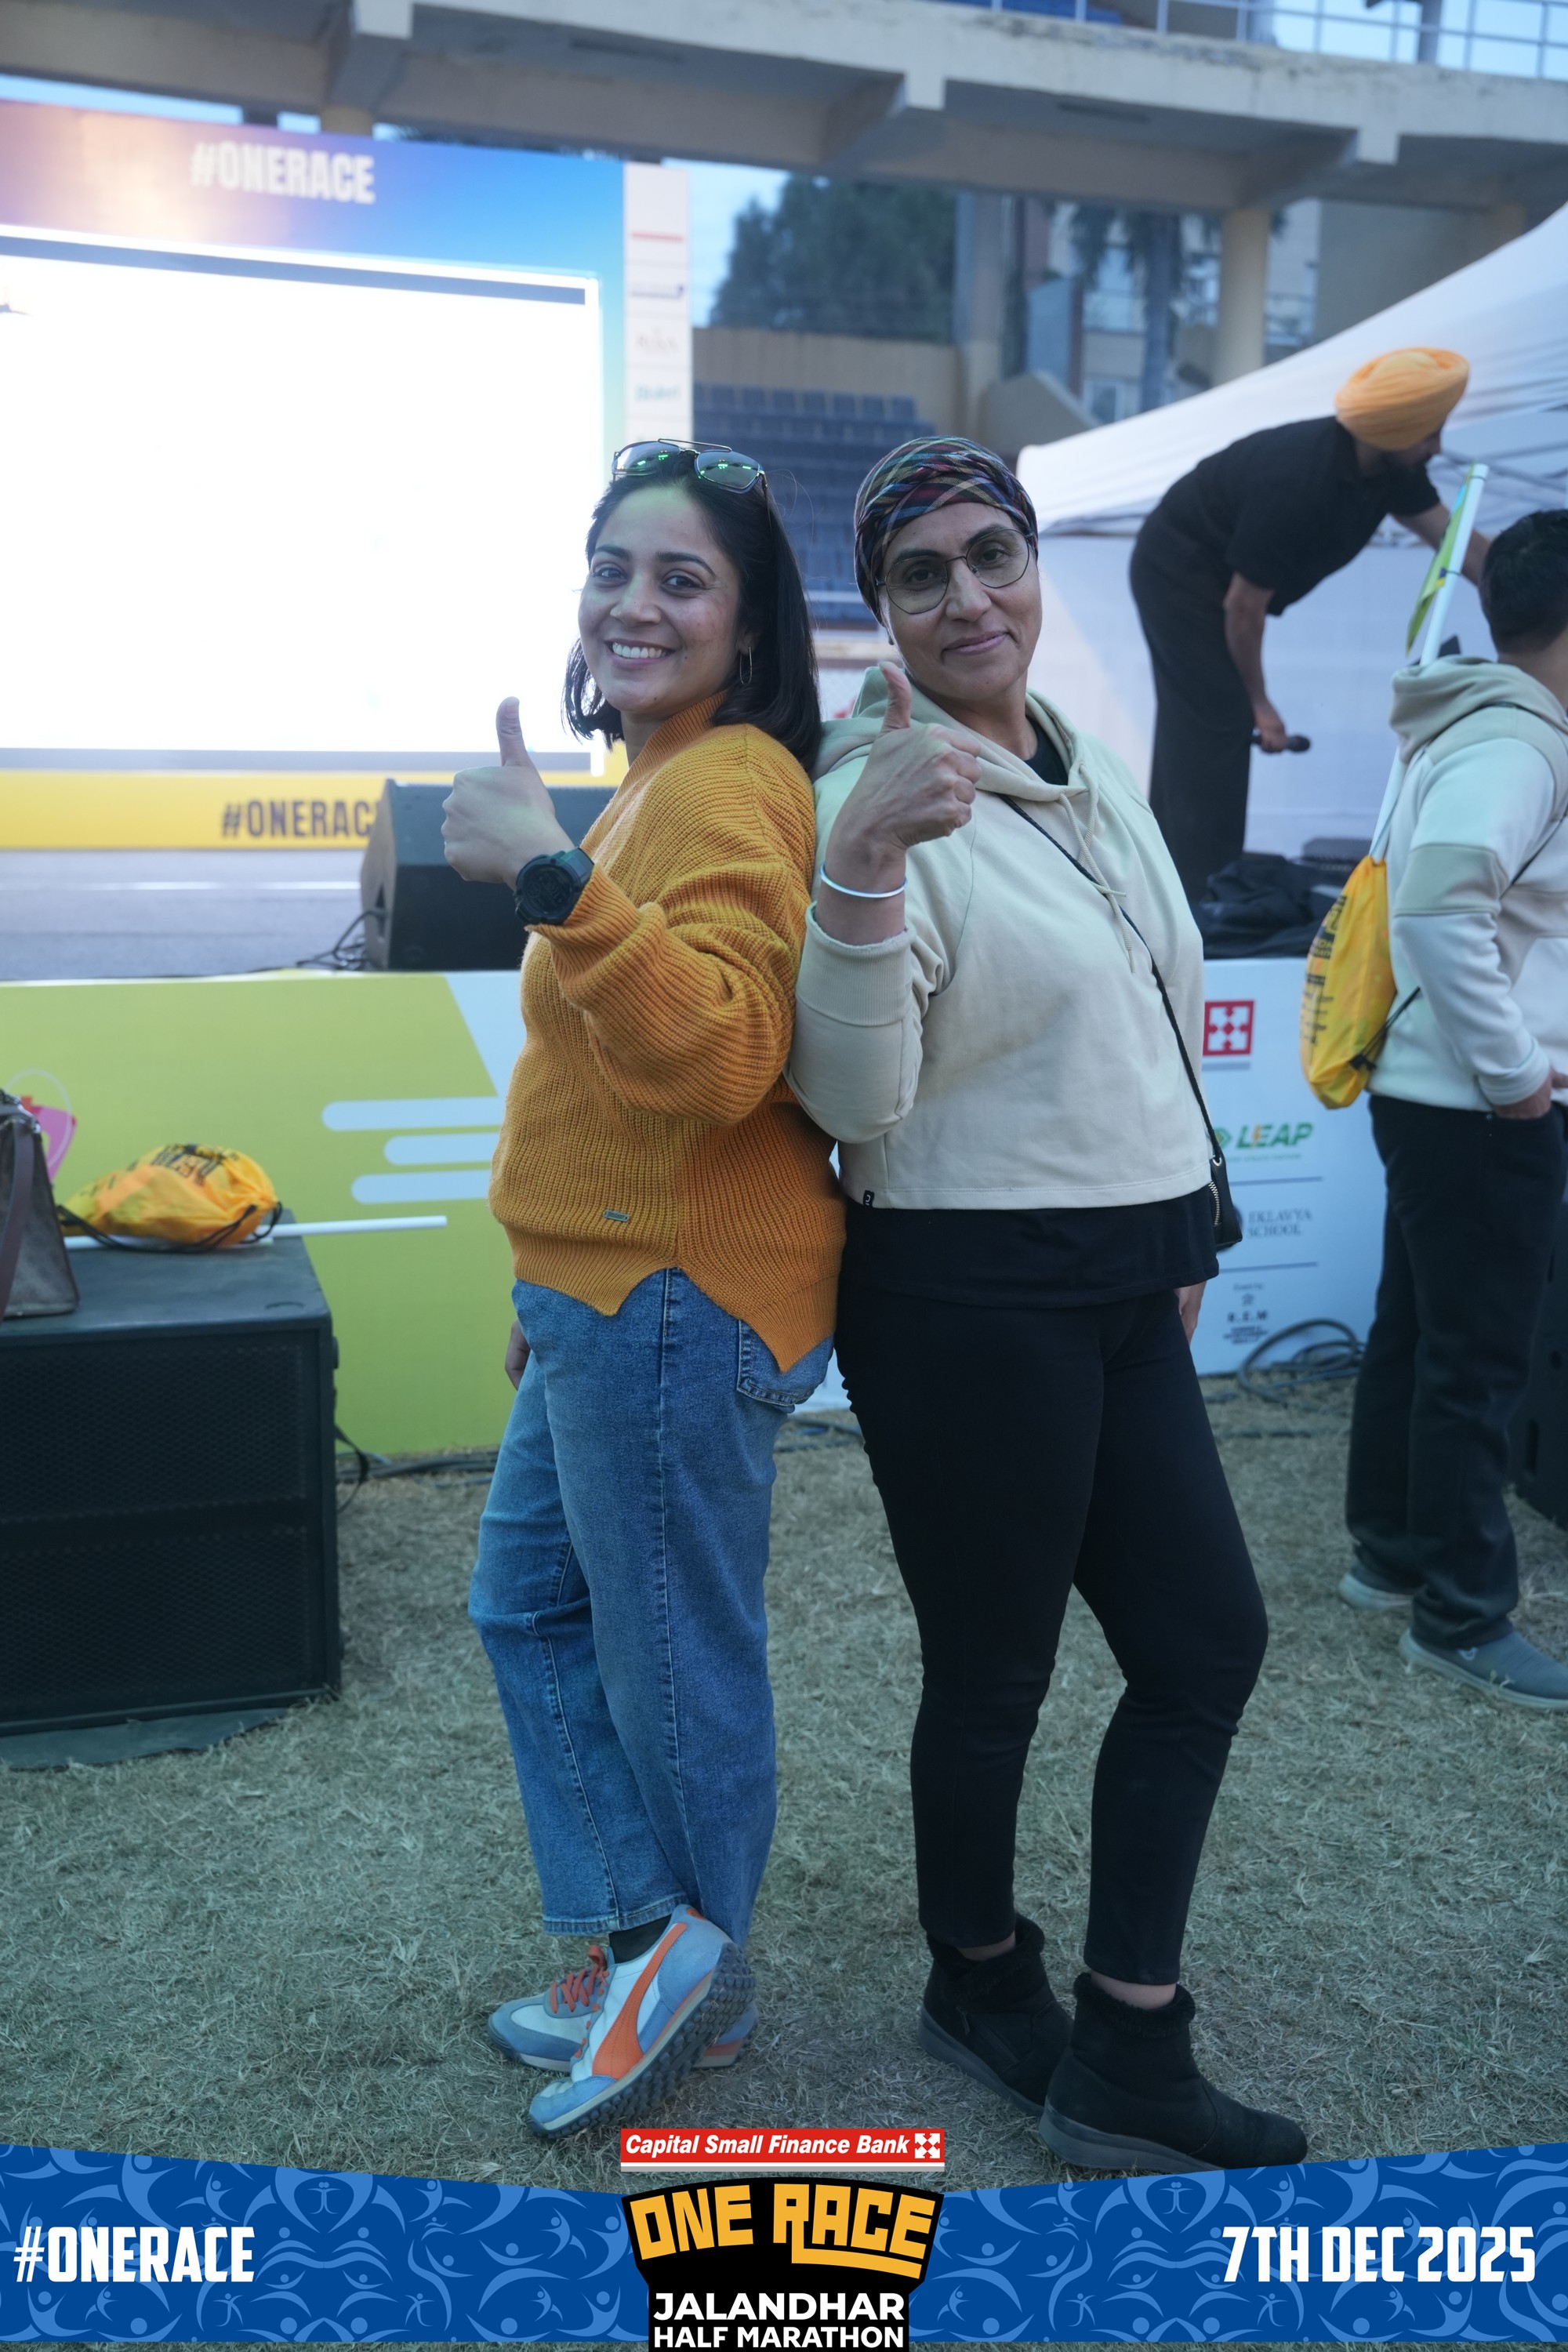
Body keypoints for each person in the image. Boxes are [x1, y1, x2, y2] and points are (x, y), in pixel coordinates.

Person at [787, 435, 1308, 2176]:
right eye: (919, 573)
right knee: (996, 1668)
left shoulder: (1078, 763)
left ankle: (1127, 2046)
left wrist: (1186, 1230)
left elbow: (1143, 1016)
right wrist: (865, 863)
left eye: (990, 553)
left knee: (1205, 1643)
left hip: (1123, 1273)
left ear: (1035, 564)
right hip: (966, 1293)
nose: (966, 596)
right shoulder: (876, 796)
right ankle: (980, 1974)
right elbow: (853, 1101)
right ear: (881, 611)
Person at [440, 440, 843, 2137]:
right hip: (608, 1295)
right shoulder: (661, 782)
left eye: (683, 579)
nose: (634, 603)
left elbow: (728, 1050)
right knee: (527, 1610)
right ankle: (644, 1946)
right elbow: (610, 1084)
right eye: (613, 568)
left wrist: (552, 878)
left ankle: (703, 1990)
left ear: (748, 630)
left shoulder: (728, 781)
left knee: (672, 1664)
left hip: (674, 1298)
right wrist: (549, 1288)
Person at [1341, 508, 1568, 1711]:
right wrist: (1518, 1072)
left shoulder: (1478, 723)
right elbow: (1439, 905)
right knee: (1474, 1361)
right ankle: (1463, 1615)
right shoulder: (1521, 742)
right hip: (1480, 1105)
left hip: (1436, 1092)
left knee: (1423, 1334)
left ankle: (1391, 1555)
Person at [1131, 346, 1488, 902]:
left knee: (1202, 728)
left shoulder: (1391, 467)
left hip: (1221, 587)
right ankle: (1200, 901)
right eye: (1429, 434)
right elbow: (1243, 608)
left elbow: (1457, 543)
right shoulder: (1298, 479)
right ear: (1393, 431)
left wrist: (1526, 586)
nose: (1437, 447)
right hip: (1179, 575)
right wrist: (1261, 705)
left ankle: (1180, 883)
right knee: (1219, 722)